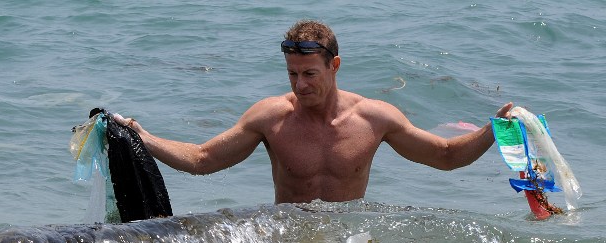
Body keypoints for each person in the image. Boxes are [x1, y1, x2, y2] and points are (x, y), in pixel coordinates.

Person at [115, 20, 513, 204]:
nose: (300, 85)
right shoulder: (270, 117)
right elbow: (203, 160)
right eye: (292, 74)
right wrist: (144, 138)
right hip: (289, 242)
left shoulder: (374, 118)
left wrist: (492, 130)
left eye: (309, 74)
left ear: (334, 66)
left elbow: (444, 156)